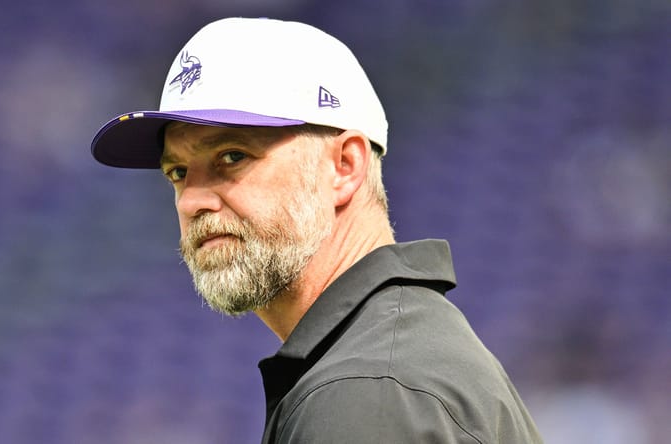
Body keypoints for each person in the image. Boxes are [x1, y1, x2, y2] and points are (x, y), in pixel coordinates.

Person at [90, 17, 543, 444]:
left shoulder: (368, 394)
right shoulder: (389, 359)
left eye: (232, 156)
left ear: (344, 166)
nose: (192, 201)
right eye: (178, 172)